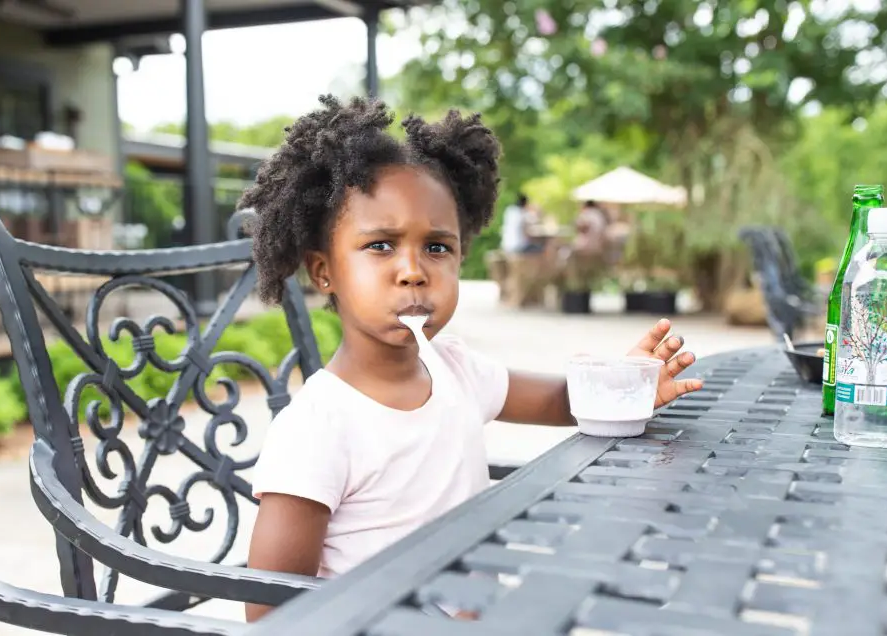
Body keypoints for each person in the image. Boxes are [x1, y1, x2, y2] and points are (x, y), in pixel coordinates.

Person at [239, 95, 703, 621]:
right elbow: (269, 608)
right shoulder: (319, 426)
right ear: (324, 272)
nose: (413, 271)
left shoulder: (454, 367)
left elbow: (560, 402)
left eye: (437, 248)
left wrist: (629, 383)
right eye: (381, 246)